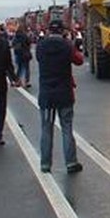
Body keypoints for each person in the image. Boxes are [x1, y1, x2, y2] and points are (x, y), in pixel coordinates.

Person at [37, 19, 85, 173]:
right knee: (66, 128)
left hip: (46, 93)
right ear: (63, 31)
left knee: (46, 129)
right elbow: (79, 60)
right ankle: (71, 162)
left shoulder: (41, 46)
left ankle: (45, 163)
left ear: (49, 30)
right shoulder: (67, 46)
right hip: (64, 92)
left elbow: (39, 59)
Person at [11, 22, 33, 88]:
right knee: (26, 68)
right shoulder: (25, 36)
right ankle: (26, 82)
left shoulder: (16, 36)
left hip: (18, 54)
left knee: (19, 68)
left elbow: (13, 44)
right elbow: (29, 43)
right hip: (25, 54)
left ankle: (17, 81)